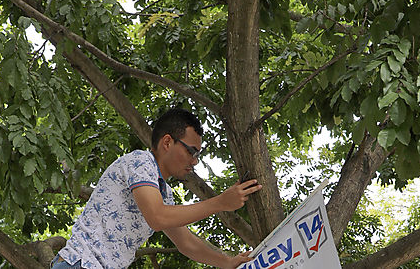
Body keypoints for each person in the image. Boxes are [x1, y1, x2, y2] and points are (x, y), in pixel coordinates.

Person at [51, 108, 262, 268]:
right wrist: (221, 202)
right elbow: (158, 217)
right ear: (168, 142)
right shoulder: (140, 161)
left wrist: (226, 262)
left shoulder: (163, 194)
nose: (195, 161)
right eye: (192, 152)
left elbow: (186, 243)